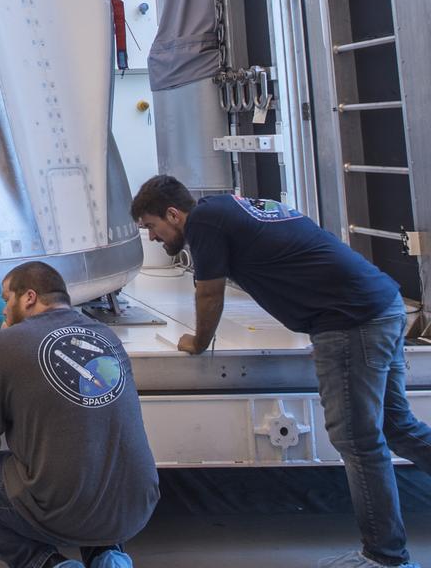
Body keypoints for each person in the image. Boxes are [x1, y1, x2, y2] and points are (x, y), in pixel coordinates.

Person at [132, 174, 431, 568]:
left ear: (173, 214)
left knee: (358, 441)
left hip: (348, 320)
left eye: (152, 227)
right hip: (380, 304)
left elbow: (209, 292)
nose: (152, 238)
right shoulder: (226, 209)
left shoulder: (204, 222)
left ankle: (386, 556)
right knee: (396, 426)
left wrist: (198, 341)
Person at [0, 261, 157, 568]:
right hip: (137, 506)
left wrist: (2, 339)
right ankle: (108, 557)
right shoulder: (107, 336)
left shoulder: (3, 344)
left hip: (63, 510)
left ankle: (46, 563)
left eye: (7, 299)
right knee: (94, 446)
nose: (3, 309)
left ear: (28, 298)